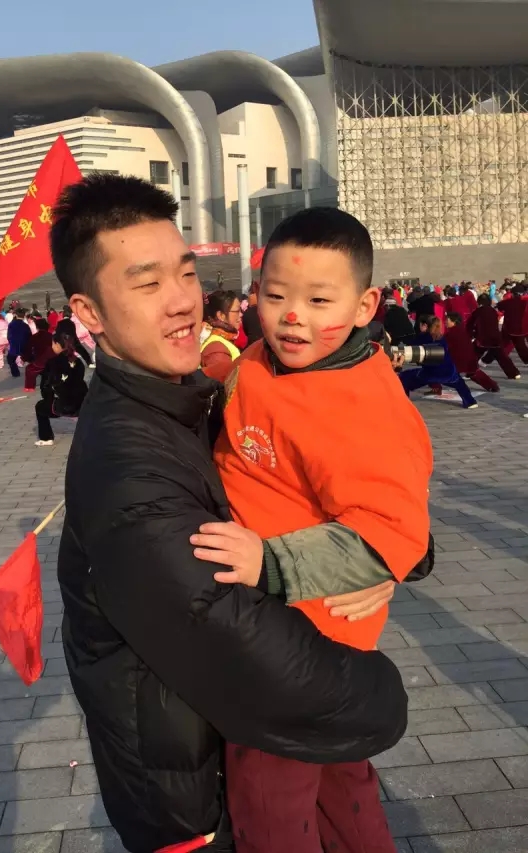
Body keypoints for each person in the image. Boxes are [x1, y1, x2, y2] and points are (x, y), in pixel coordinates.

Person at [50, 172, 407, 853]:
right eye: (147, 284)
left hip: (237, 726)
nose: (183, 300)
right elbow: (236, 636)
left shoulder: (190, 395)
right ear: (89, 311)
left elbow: (352, 474)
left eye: (186, 273)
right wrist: (380, 696)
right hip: (196, 786)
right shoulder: (129, 467)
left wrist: (384, 551)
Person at [191, 207, 432, 853]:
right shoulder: (261, 359)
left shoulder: (360, 403)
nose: (293, 316)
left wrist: (269, 562)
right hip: (292, 629)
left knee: (268, 798)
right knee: (339, 779)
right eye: (276, 296)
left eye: (319, 300)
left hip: (300, 640)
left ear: (365, 305)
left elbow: (389, 529)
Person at [400, 315, 479, 408]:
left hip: (429, 374)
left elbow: (409, 348)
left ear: (425, 326)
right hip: (448, 372)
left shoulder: (422, 337)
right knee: (460, 383)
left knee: (404, 377)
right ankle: (470, 402)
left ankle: (403, 402)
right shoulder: (442, 337)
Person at [34, 330, 88, 446]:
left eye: (53, 344)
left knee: (40, 407)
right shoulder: (78, 362)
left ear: (58, 344)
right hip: (83, 404)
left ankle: (46, 438)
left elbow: (46, 387)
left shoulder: (52, 362)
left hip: (64, 405)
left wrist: (49, 400)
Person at [467, 293, 520, 380]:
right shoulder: (493, 311)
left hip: (483, 338)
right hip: (496, 338)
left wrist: (470, 335)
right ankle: (514, 373)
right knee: (502, 356)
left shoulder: (477, 312)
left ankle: (470, 373)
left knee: (474, 354)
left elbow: (470, 325)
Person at [444, 312, 499, 392]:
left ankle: (436, 387)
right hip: (469, 357)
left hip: (459, 359)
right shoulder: (462, 330)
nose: (445, 322)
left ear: (454, 321)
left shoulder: (451, 333)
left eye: (447, 320)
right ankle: (492, 385)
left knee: (439, 372)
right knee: (473, 373)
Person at [200, 289, 242, 382]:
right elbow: (222, 384)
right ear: (221, 315)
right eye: (237, 311)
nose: (241, 314)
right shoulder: (217, 348)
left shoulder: (222, 339)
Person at [496, 285, 528, 363]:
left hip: (508, 327)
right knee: (521, 346)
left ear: (512, 294)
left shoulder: (506, 302)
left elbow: (499, 307)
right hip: (521, 328)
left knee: (503, 344)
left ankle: (498, 357)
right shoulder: (525, 302)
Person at [23, 318, 55, 392]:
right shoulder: (51, 336)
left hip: (40, 361)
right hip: (52, 359)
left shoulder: (35, 337)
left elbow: (27, 350)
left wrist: (26, 358)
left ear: (37, 327)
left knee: (29, 369)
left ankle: (30, 387)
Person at [7, 308, 32, 377]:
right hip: (24, 345)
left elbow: (9, 336)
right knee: (30, 359)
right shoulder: (25, 325)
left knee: (10, 360)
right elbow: (29, 336)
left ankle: (16, 373)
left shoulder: (11, 324)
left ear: (16, 315)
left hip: (14, 345)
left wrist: (11, 343)